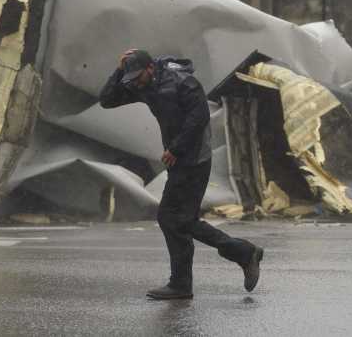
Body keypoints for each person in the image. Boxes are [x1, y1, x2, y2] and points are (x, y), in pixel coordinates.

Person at [99, 49, 264, 300]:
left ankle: (233, 257)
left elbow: (199, 118)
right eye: (131, 78)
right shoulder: (142, 84)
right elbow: (107, 100)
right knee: (176, 219)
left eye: (137, 76)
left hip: (195, 157)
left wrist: (176, 148)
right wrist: (120, 70)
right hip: (179, 158)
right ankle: (194, 278)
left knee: (175, 218)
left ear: (151, 68)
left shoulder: (183, 82)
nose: (135, 82)